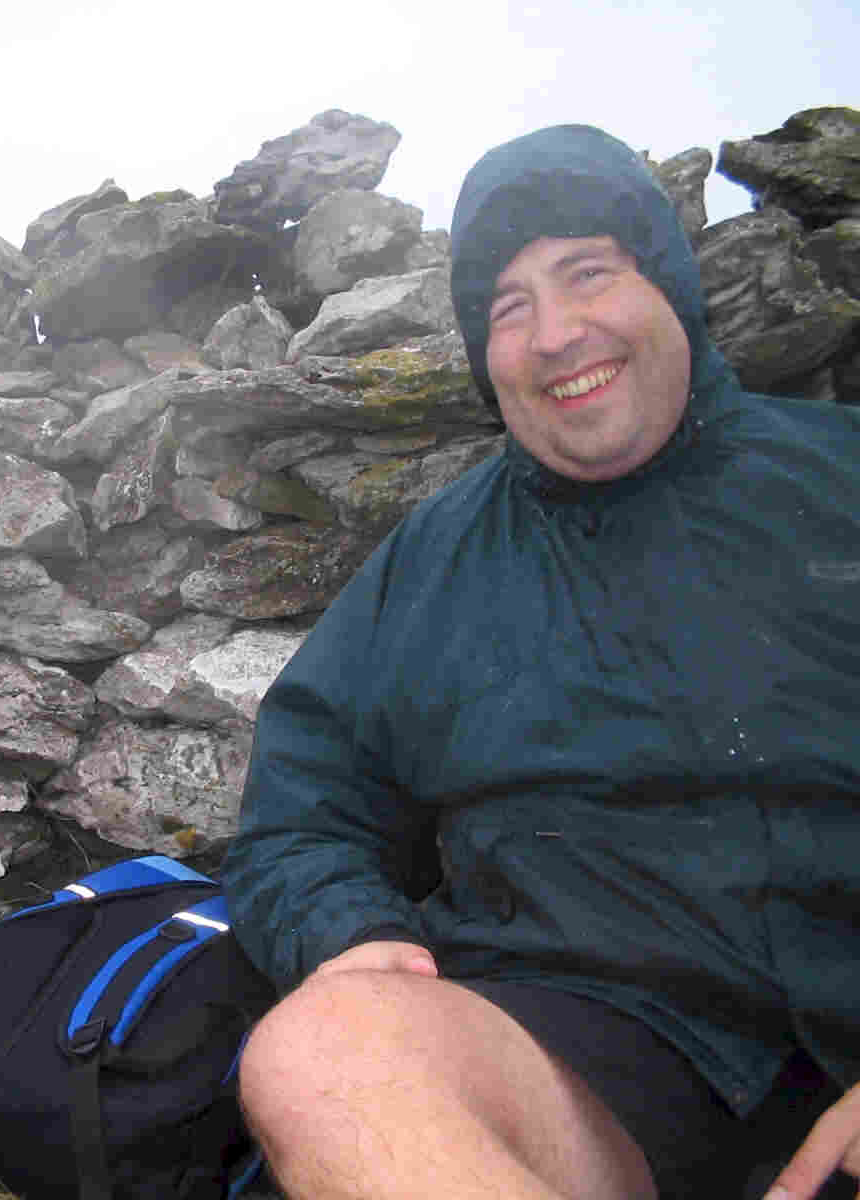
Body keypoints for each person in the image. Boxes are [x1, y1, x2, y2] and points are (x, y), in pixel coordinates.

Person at [224, 124, 860, 1200]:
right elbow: (301, 810)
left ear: (665, 287)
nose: (556, 334)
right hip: (593, 1052)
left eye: (586, 274)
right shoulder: (434, 559)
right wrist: (350, 935)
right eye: (507, 308)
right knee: (324, 1056)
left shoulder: (838, 480)